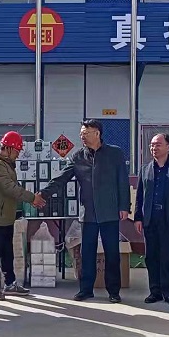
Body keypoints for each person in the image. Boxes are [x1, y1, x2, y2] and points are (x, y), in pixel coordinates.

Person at [41, 119, 130, 304]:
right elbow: (61, 178)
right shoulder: (78, 156)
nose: (82, 136)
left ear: (97, 133)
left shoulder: (115, 153)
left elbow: (123, 180)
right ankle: (86, 289)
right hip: (88, 213)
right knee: (87, 253)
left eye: (85, 133)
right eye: (81, 133)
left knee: (112, 253)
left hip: (110, 212)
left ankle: (114, 291)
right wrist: (43, 194)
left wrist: (124, 206)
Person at [0, 131, 45, 300]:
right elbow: (9, 188)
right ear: (7, 148)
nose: (18, 154)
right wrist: (32, 198)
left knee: (7, 252)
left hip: (5, 216)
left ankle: (10, 283)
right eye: (16, 151)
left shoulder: (5, 164)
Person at [134, 133, 169, 306]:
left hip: (168, 219)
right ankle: (154, 291)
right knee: (151, 257)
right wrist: (138, 217)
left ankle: (168, 292)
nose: (154, 148)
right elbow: (140, 195)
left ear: (168, 147)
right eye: (152, 145)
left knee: (166, 257)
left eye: (158, 144)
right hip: (150, 219)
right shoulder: (145, 169)